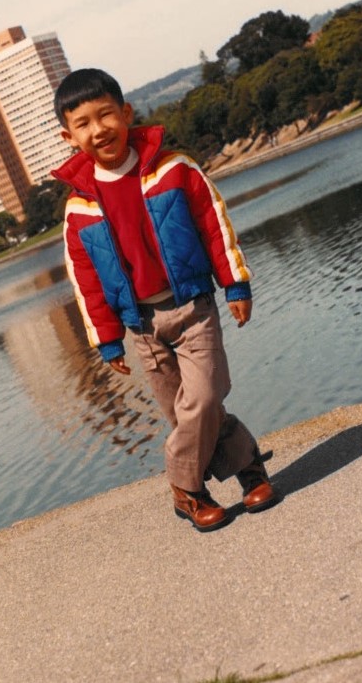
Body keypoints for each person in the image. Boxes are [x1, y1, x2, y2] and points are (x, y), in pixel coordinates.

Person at [51, 67, 279, 532]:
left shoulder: (173, 168)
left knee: (204, 396)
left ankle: (184, 488)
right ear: (69, 136)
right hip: (141, 325)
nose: (99, 130)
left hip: (192, 306)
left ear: (126, 112)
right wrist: (107, 340)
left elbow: (214, 222)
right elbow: (86, 281)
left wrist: (235, 283)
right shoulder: (79, 208)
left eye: (106, 115)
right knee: (186, 410)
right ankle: (249, 467)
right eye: (84, 124)